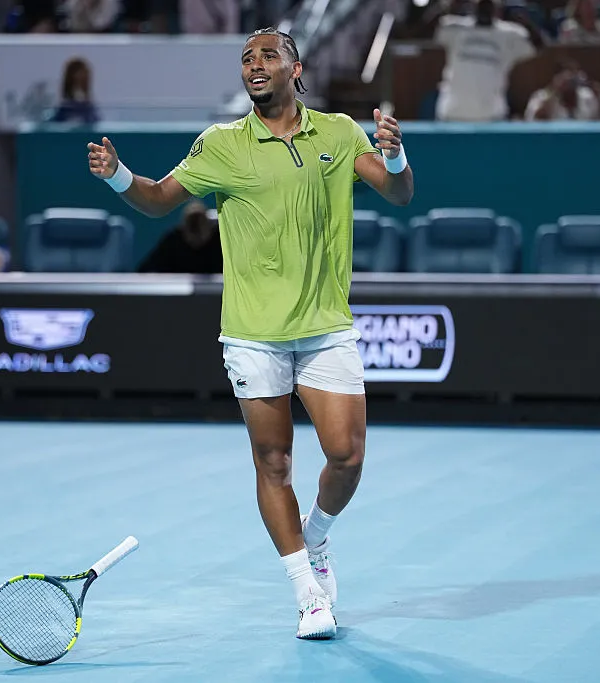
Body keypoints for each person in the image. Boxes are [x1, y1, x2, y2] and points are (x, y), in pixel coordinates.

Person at [88, 27, 413, 640]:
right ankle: (305, 591)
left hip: (324, 326)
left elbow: (397, 192)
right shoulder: (222, 145)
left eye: (267, 55)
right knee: (274, 461)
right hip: (252, 334)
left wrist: (395, 157)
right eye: (246, 58)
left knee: (346, 457)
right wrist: (116, 175)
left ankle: (315, 537)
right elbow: (158, 199)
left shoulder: (340, 133)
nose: (254, 65)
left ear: (296, 68)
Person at [433, 0, 544, 122]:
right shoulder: (455, 27)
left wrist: (524, 22)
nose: (484, 6)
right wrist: (444, 7)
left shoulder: (510, 34)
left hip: (491, 116)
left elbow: (539, 47)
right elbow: (423, 31)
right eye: (480, 3)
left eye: (489, 3)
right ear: (473, 5)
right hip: (452, 114)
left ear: (497, 7)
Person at [137, 200, 222, 274]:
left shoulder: (221, 241)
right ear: (184, 228)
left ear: (208, 226)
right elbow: (145, 271)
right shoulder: (172, 241)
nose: (196, 228)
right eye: (192, 226)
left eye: (200, 225)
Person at [524, 61, 600, 121]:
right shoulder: (541, 97)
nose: (568, 83)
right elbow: (535, 123)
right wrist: (553, 93)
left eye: (572, 79)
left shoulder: (588, 96)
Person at [48, 57, 100, 124]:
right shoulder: (64, 108)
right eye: (77, 73)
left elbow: (95, 122)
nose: (79, 77)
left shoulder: (89, 108)